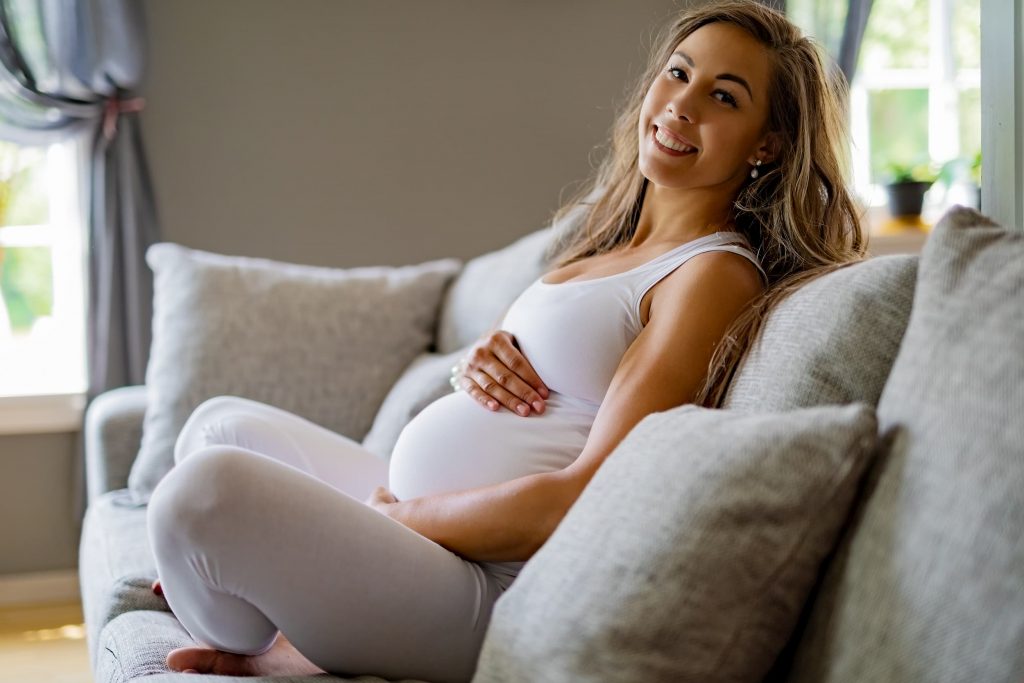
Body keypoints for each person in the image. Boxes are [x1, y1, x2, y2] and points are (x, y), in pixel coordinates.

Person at [146, 0, 865, 679]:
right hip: (416, 528)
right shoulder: (605, 244)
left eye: (724, 96)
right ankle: (269, 597)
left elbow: (584, 496)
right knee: (218, 428)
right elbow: (552, 387)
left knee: (204, 494)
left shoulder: (710, 274)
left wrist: (398, 516)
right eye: (679, 72)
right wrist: (487, 355)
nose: (683, 102)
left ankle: (274, 632)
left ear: (767, 143)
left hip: (483, 588)